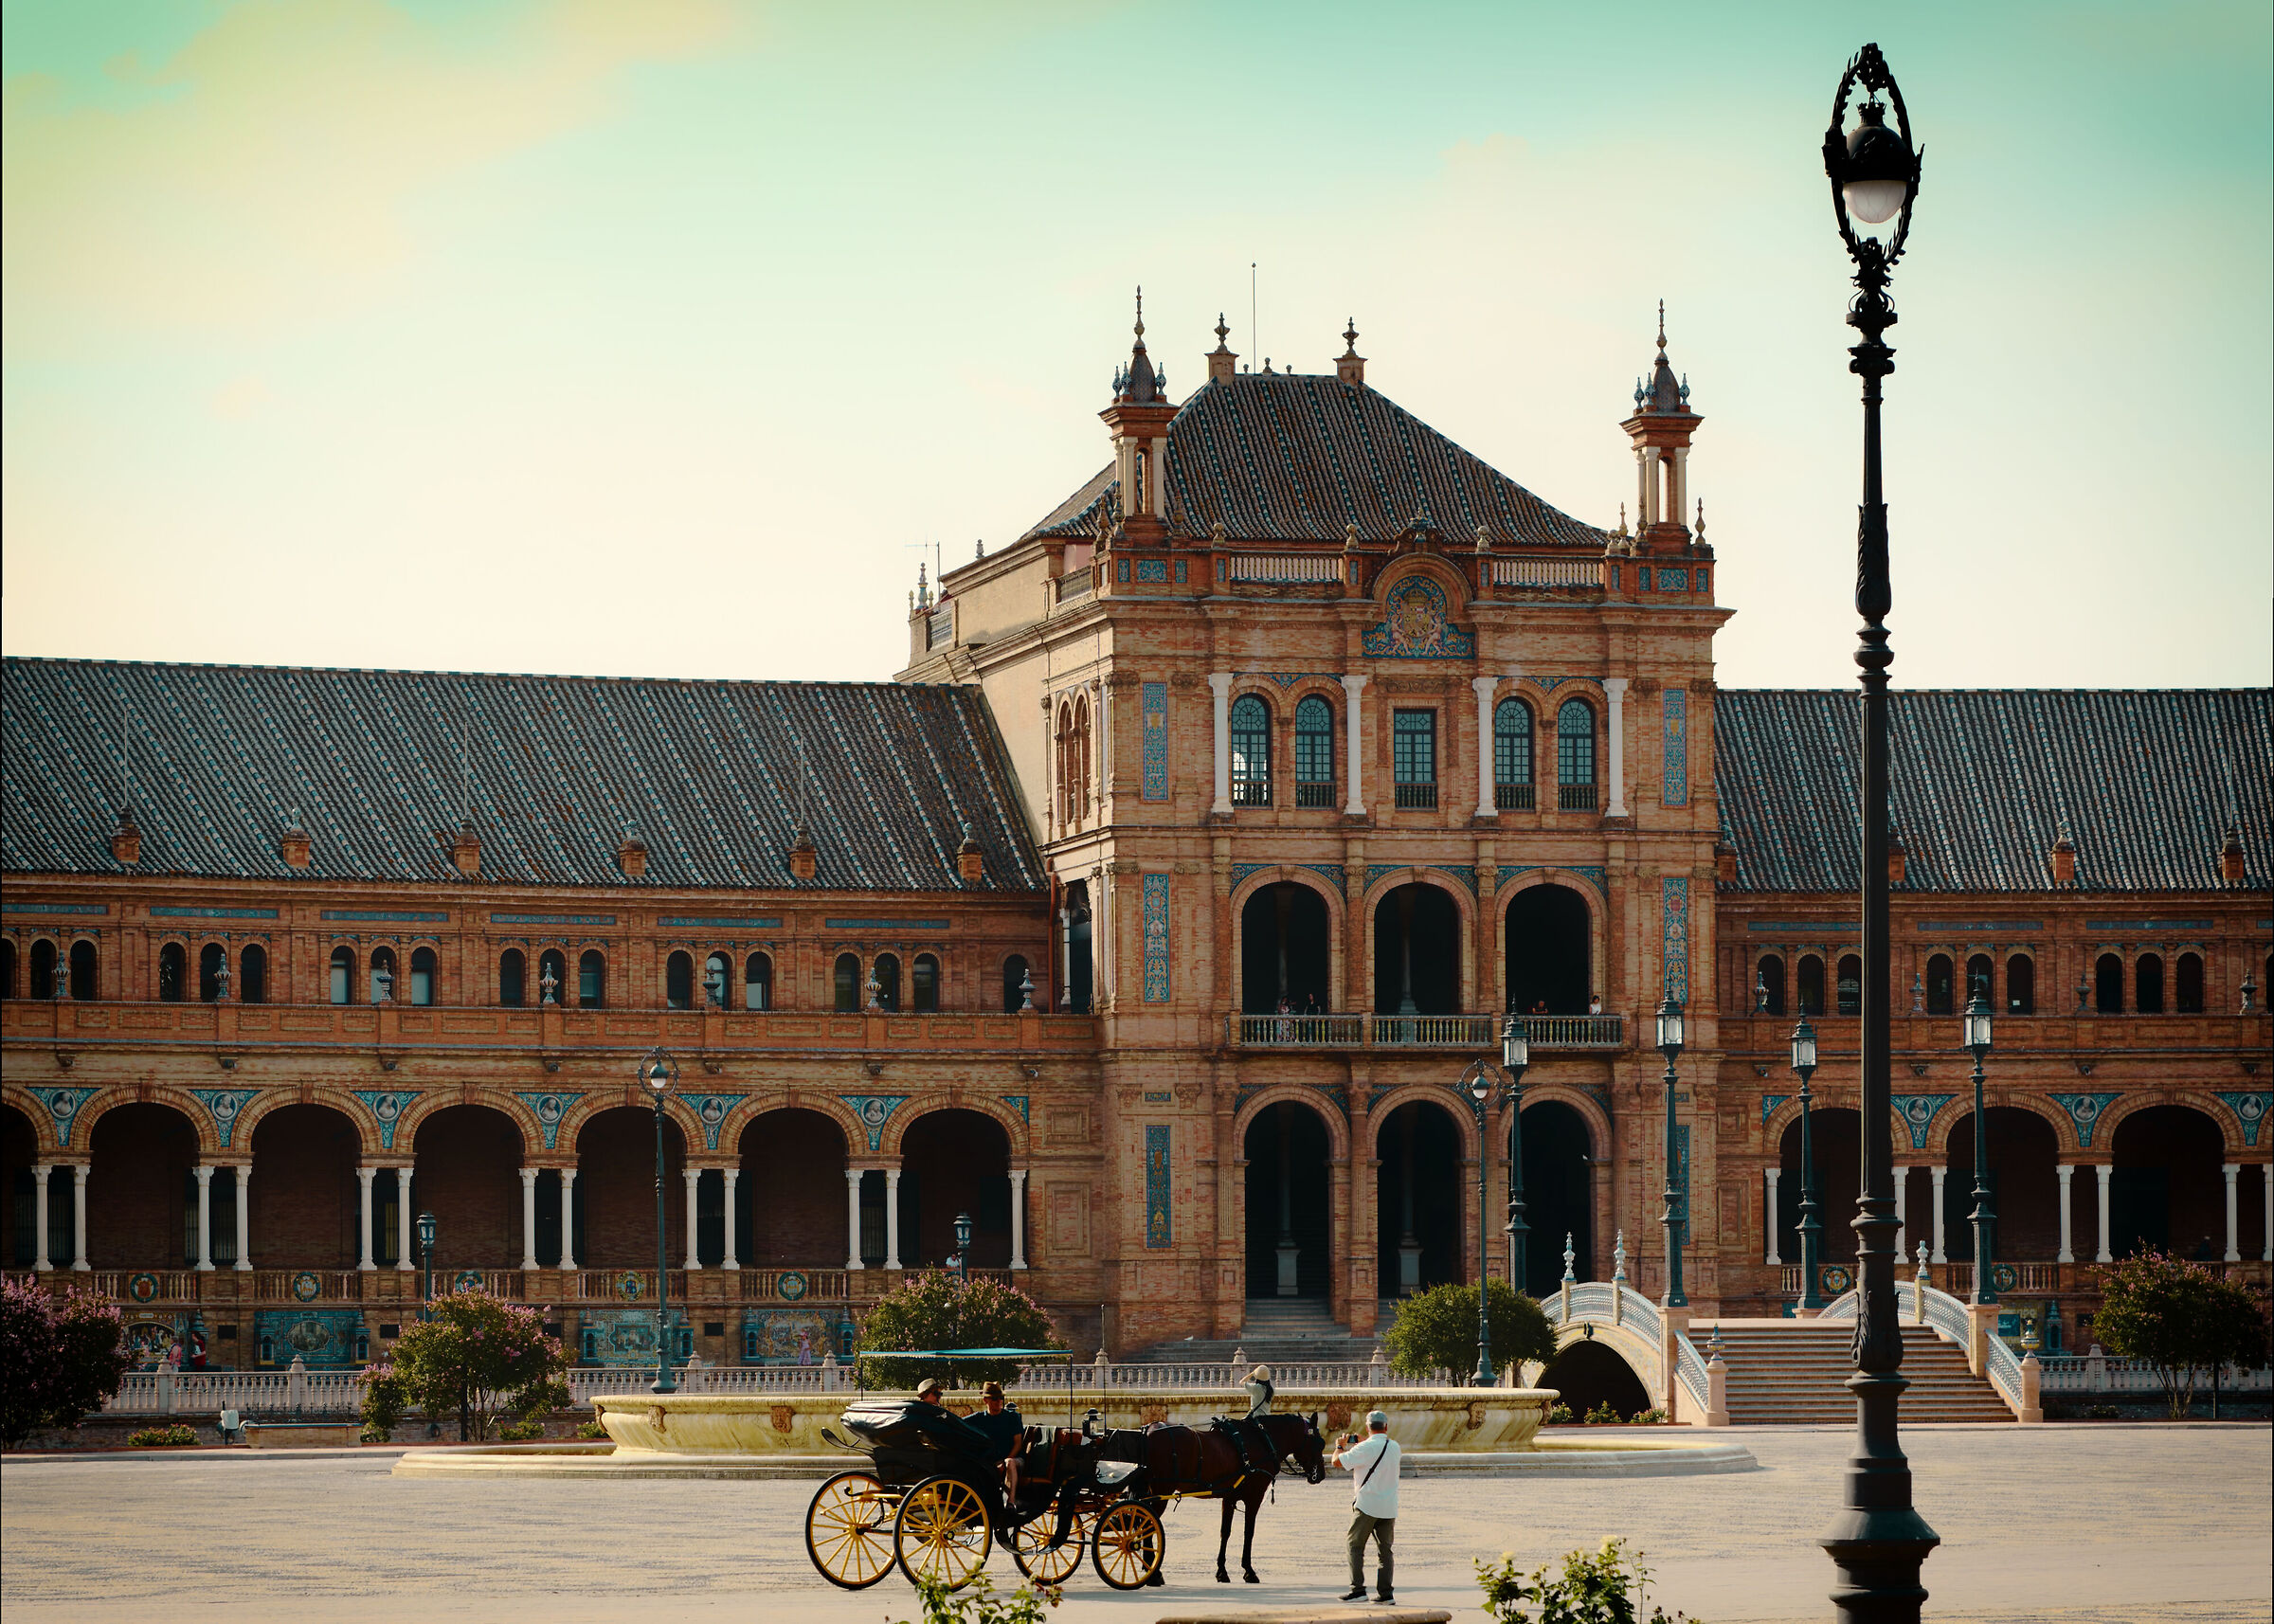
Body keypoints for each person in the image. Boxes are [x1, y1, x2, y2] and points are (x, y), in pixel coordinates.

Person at [1329, 1409, 1399, 1603]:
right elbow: (1376, 1451)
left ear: (1368, 1427)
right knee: (1385, 1551)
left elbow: (1336, 1462)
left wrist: (1340, 1446)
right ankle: (1386, 1594)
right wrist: (1363, 1443)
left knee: (1354, 1545)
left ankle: (1358, 1590)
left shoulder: (1364, 1448)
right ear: (1386, 1427)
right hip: (1389, 1507)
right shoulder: (1395, 1447)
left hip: (1367, 1506)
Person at [966, 1379, 1026, 1500]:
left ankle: (1011, 1502)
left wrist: (1004, 1461)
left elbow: (1018, 1444)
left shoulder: (1012, 1417)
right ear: (985, 1400)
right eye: (994, 1399)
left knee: (1009, 1463)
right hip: (991, 1462)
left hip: (1014, 1460)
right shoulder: (978, 1418)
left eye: (1000, 1398)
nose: (998, 1401)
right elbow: (957, 1423)